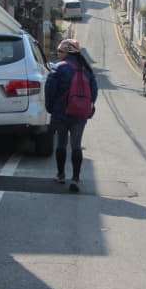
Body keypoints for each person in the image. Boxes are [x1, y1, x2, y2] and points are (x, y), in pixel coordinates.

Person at [45, 38, 98, 193]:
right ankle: (75, 179)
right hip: (80, 115)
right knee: (76, 145)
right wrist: (85, 106)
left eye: (60, 51)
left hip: (61, 113)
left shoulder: (58, 68)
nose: (58, 53)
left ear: (67, 51)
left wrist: (50, 108)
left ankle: (61, 175)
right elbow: (93, 92)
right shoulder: (86, 69)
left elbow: (50, 90)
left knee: (61, 144)